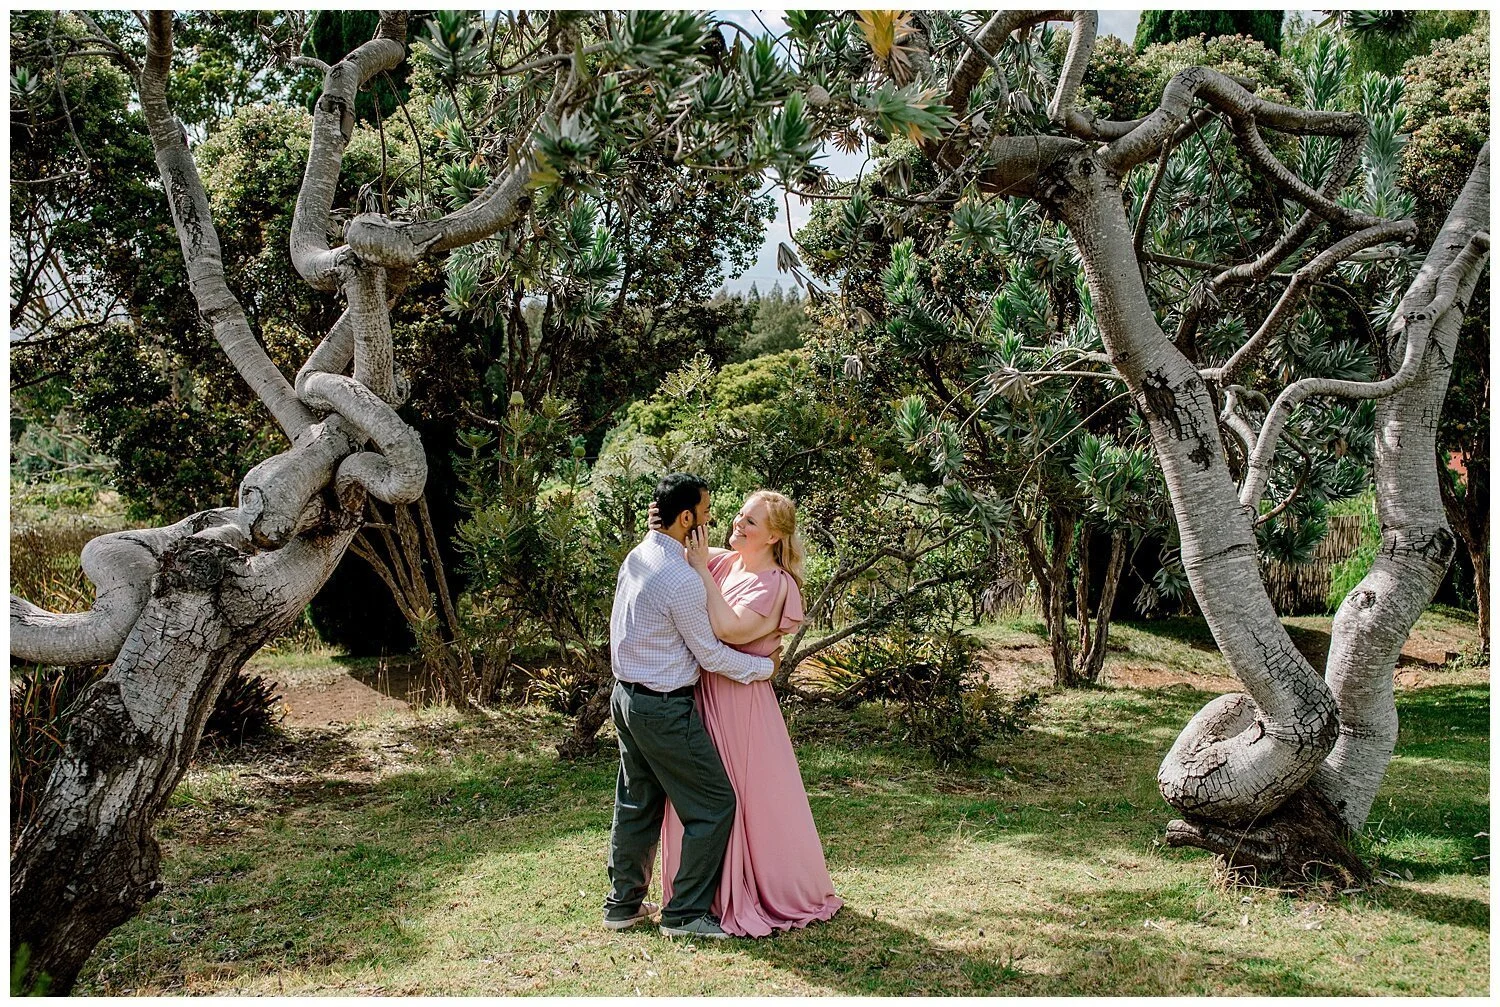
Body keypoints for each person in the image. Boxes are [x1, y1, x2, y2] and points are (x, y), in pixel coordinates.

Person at [658, 489, 843, 937]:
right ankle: (698, 892)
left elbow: (728, 627)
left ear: (775, 536)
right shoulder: (726, 561)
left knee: (741, 798)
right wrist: (664, 514)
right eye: (739, 516)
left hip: (741, 706)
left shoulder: (774, 584)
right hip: (703, 695)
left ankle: (746, 889)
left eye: (751, 523)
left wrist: (701, 568)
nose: (738, 525)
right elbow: (678, 540)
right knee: (698, 794)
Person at [603, 473, 779, 941]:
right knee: (715, 804)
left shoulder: (639, 556)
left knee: (637, 802)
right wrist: (764, 669)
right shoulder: (680, 578)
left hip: (625, 699)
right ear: (685, 518)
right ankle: (684, 915)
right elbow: (711, 655)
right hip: (663, 707)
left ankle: (622, 906)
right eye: (704, 512)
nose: (710, 519)